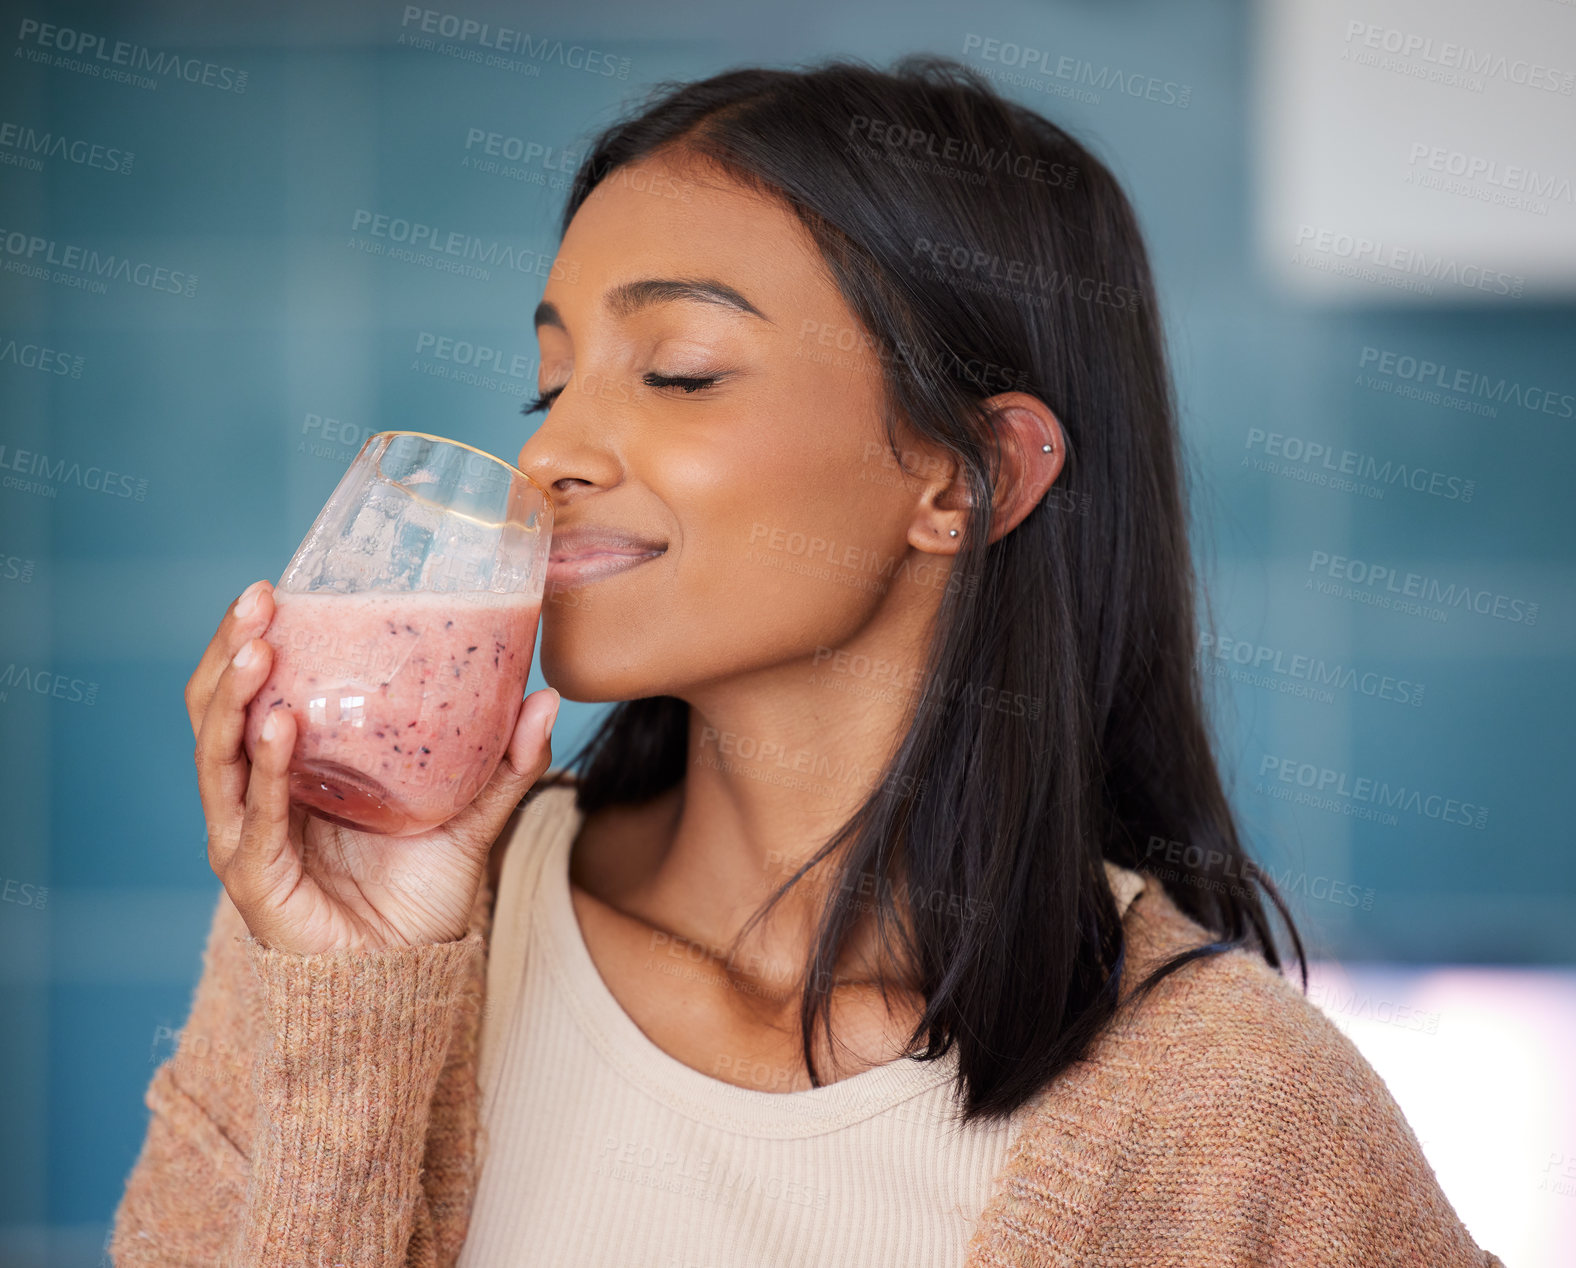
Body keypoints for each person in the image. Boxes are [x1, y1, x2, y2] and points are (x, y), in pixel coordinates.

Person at [111, 54, 1504, 1267]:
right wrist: (351, 1004)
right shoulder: (360, 943)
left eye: (680, 372)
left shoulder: (1236, 1109)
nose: (549, 454)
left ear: (969, 481)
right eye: (551, 381)